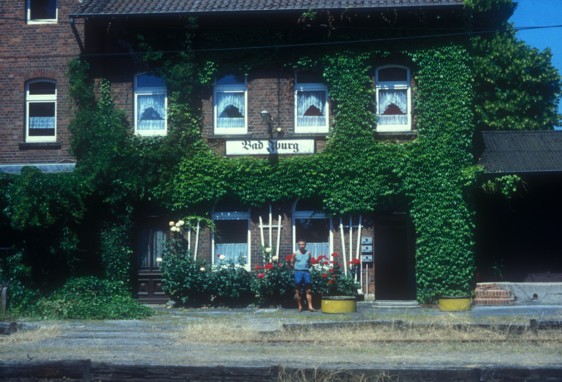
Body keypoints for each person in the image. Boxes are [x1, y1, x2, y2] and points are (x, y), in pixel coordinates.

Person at [291, 240, 316, 312]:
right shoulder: (295, 253)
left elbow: (309, 262)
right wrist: (296, 269)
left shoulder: (308, 253)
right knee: (298, 290)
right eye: (300, 245)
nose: (302, 246)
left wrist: (308, 267)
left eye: (303, 244)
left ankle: (310, 306)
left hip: (306, 272)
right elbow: (292, 263)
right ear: (298, 245)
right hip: (298, 272)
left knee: (308, 290)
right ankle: (300, 306)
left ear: (305, 245)